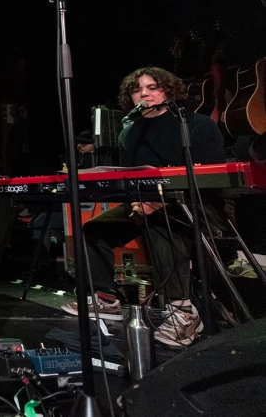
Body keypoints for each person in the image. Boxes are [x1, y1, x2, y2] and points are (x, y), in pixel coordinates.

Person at [61, 67, 226, 347]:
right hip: (145, 204)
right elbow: (131, 177)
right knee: (94, 231)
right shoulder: (131, 133)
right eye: (138, 89)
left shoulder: (196, 125)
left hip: (196, 206)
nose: (145, 93)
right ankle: (105, 299)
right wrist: (137, 201)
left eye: (153, 87)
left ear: (169, 91)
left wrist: (158, 203)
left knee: (161, 224)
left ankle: (182, 310)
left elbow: (212, 177)